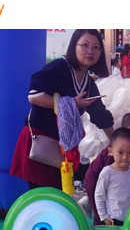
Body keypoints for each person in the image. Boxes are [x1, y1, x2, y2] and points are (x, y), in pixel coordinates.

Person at [10, 29, 114, 189]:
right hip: (41, 141)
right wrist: (72, 103)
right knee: (45, 196)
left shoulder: (88, 83)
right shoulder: (59, 67)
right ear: (73, 46)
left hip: (62, 149)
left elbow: (101, 116)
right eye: (85, 45)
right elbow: (34, 96)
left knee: (58, 194)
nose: (90, 51)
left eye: (96, 47)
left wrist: (118, 142)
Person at [94, 128, 130, 226]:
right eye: (120, 152)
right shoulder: (107, 172)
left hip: (129, 218)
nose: (125, 157)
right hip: (112, 219)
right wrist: (104, 216)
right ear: (111, 151)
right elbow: (99, 195)